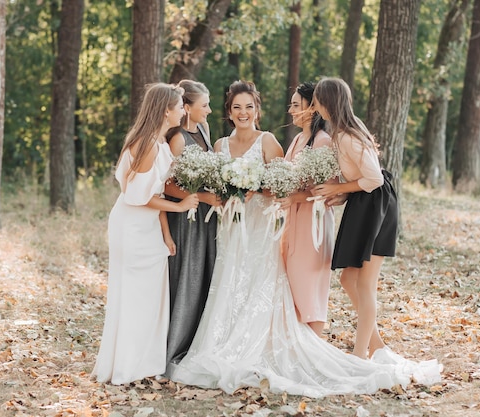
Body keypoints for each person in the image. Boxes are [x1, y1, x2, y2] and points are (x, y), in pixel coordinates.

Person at [167, 80, 441, 397]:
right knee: (231, 280)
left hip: (269, 225)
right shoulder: (221, 146)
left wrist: (260, 187)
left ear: (257, 109)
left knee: (311, 283)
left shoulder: (283, 141)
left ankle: (349, 350)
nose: (243, 113)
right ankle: (370, 347)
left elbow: (284, 183)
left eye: (249, 106)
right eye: (237, 107)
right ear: (229, 112)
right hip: (232, 227)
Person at [92, 83, 199, 385]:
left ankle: (144, 363)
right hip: (133, 226)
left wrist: (166, 234)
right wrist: (181, 207)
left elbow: (154, 193)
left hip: (149, 224)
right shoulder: (147, 145)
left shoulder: (160, 144)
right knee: (135, 296)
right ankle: (128, 367)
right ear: (166, 110)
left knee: (151, 297)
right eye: (180, 106)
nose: (183, 110)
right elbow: (137, 196)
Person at [312, 77, 399, 361]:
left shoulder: (348, 135)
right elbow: (359, 177)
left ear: (327, 103)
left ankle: (360, 354)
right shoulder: (341, 133)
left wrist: (338, 188)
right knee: (349, 278)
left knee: (364, 282)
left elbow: (373, 178)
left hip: (376, 206)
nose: (315, 107)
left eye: (317, 101)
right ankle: (377, 346)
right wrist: (342, 195)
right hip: (363, 203)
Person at [164, 80, 221, 367]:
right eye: (204, 105)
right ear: (186, 108)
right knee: (186, 276)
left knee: (204, 277)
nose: (209, 110)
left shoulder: (204, 130)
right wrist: (200, 196)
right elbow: (166, 186)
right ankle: (175, 345)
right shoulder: (176, 139)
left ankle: (199, 344)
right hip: (185, 217)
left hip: (207, 218)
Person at [275, 82, 336, 335]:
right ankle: (300, 348)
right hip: (292, 220)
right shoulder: (299, 139)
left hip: (313, 224)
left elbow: (328, 190)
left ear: (312, 108)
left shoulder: (323, 142)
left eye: (295, 105)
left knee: (309, 285)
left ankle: (315, 348)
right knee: (293, 284)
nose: (290, 110)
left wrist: (296, 198)